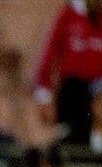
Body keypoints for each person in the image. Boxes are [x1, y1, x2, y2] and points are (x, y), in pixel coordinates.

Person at [34, 0, 102, 145]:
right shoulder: (67, 16)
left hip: (98, 89)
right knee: (71, 138)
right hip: (73, 92)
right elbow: (48, 55)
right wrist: (44, 97)